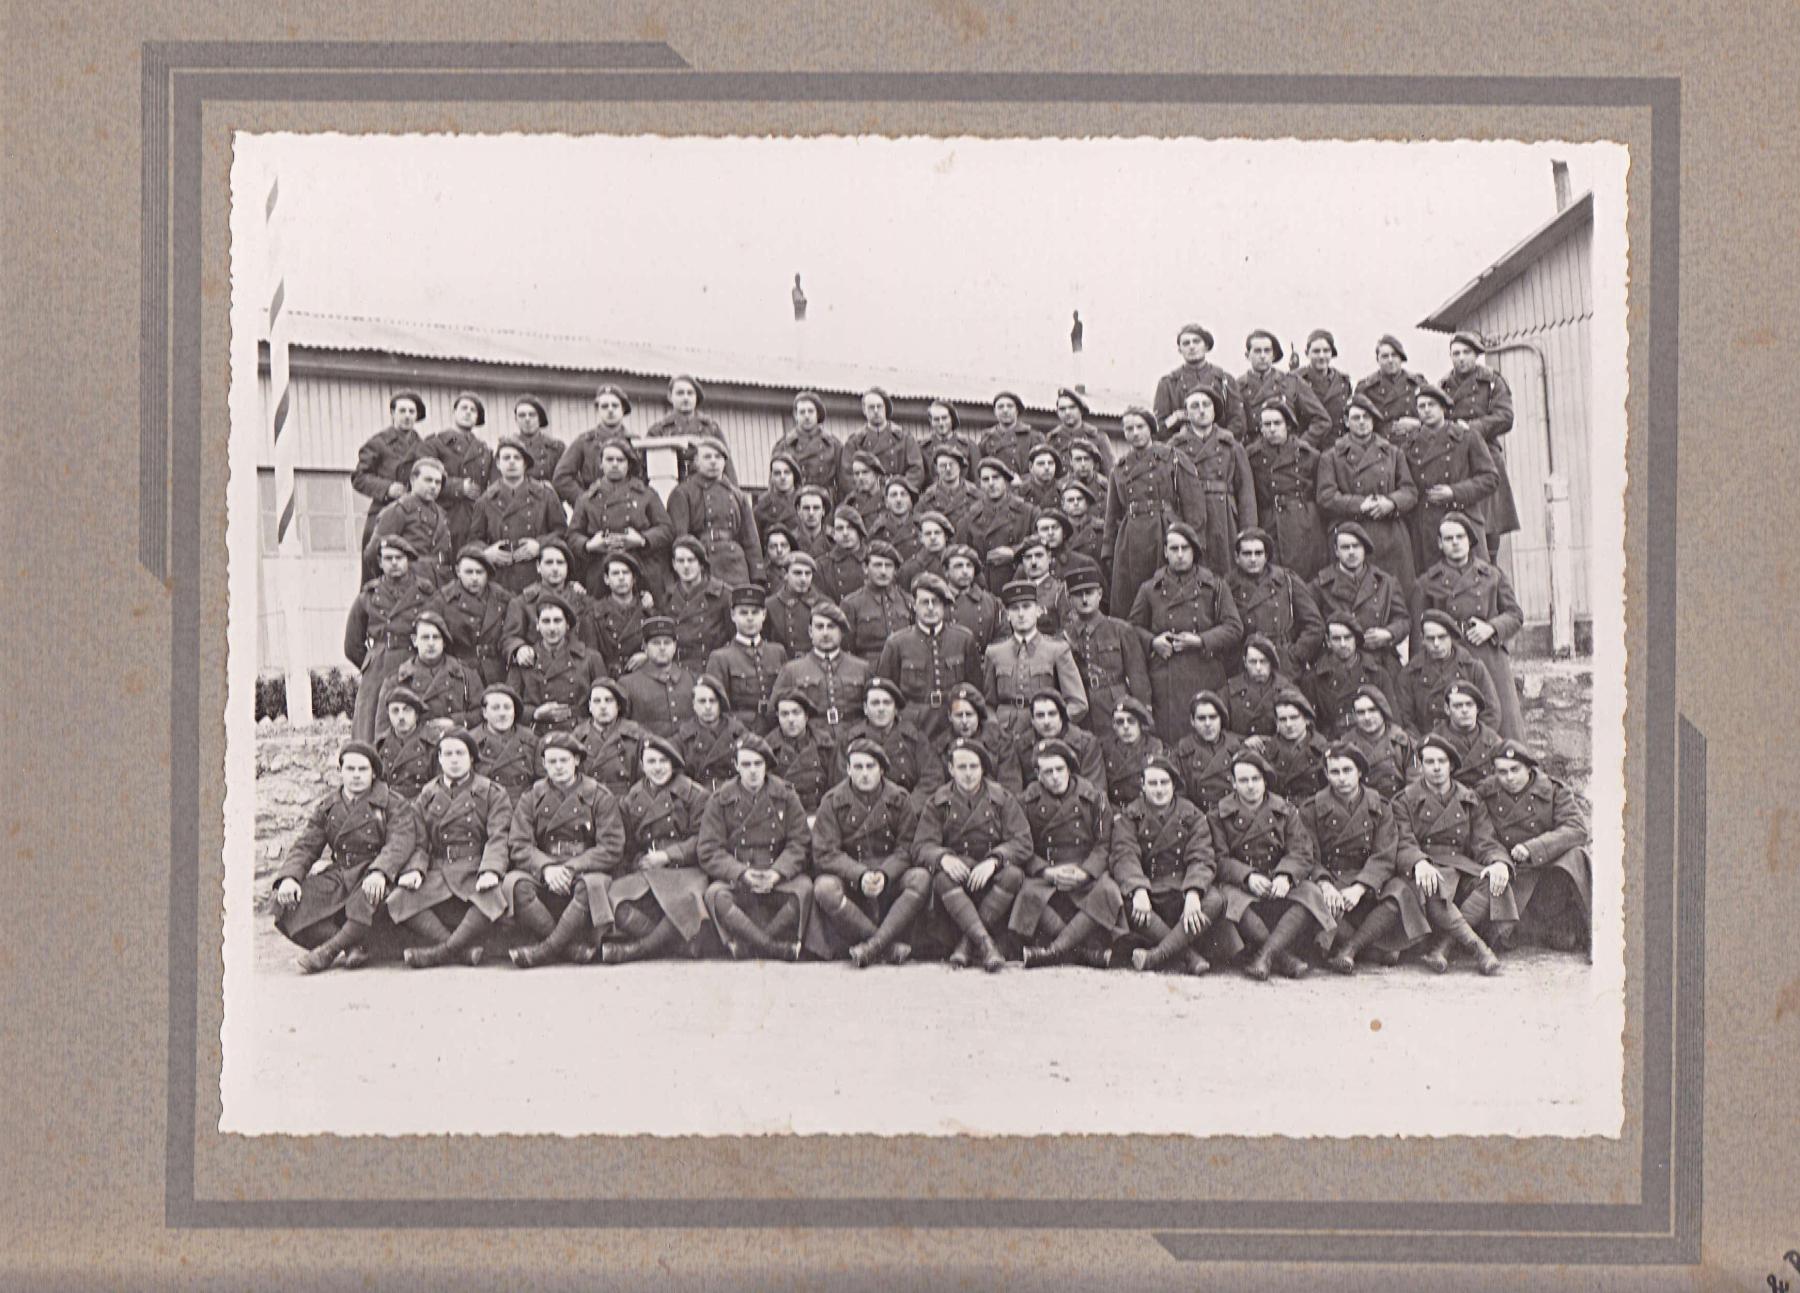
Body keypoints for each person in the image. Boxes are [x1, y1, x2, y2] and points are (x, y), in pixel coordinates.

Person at [272, 741, 417, 973]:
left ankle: (329, 951)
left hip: (373, 872)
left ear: (374, 773)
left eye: (363, 769)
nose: (356, 775)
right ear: (340, 771)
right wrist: (290, 878)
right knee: (285, 904)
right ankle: (352, 946)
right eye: (350, 769)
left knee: (369, 896)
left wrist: (380, 872)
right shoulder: (328, 806)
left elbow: (400, 841)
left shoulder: (391, 803)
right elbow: (307, 845)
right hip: (341, 875)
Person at [386, 729, 513, 968]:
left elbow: (499, 836)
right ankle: (460, 951)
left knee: (493, 894)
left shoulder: (491, 792)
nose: (454, 759)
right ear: (440, 758)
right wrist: (415, 869)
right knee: (400, 898)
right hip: (439, 867)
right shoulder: (428, 794)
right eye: (448, 754)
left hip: (475, 865)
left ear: (472, 758)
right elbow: (419, 840)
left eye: (460, 753)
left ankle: (441, 953)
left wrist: (491, 870)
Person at [1300, 743, 1430, 975]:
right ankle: (1373, 950)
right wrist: (1325, 884)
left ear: (1359, 771)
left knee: (1401, 890)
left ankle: (1351, 949)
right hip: (1333, 879)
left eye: (1347, 770)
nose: (1342, 778)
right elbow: (1307, 854)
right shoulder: (1311, 808)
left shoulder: (1380, 805)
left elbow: (1384, 854)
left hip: (1368, 881)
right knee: (1316, 902)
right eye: (1335, 772)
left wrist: (1360, 888)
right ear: (1326, 775)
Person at [502, 731, 627, 968]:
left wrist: (571, 868)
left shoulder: (598, 795)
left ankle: (545, 951)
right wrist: (546, 868)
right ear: (543, 764)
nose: (558, 767)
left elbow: (611, 846)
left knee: (590, 886)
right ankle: (569, 949)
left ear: (576, 760)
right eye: (552, 761)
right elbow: (519, 843)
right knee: (514, 884)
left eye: (564, 760)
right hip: (546, 866)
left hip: (586, 867)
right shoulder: (532, 796)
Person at [1392, 733, 1510, 975]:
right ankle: (1481, 950)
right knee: (1434, 885)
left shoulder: (1469, 798)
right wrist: (1418, 861)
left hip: (1461, 865)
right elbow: (1402, 840)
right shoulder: (1405, 800)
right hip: (1427, 866)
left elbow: (1484, 840)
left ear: (1451, 765)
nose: (1436, 768)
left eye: (1441, 761)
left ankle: (1443, 947)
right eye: (1429, 762)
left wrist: (1498, 862)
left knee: (1494, 883)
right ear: (1420, 765)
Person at [911, 738, 1029, 971]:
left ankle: (967, 944)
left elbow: (1023, 841)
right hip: (959, 874)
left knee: (1013, 875)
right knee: (941, 878)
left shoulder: (1002, 798)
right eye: (962, 767)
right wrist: (943, 857)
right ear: (951, 769)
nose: (968, 774)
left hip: (989, 875)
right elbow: (921, 845)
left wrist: (995, 860)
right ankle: (985, 944)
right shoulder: (938, 801)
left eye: (974, 767)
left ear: (983, 768)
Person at [810, 737, 931, 965]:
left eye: (870, 767)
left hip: (889, 875)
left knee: (921, 878)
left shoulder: (899, 799)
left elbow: (907, 847)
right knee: (824, 888)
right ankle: (885, 945)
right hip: (851, 876)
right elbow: (825, 852)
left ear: (881, 770)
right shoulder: (832, 801)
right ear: (848, 769)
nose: (864, 774)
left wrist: (885, 874)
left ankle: (873, 946)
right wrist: (859, 874)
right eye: (858, 767)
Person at [1207, 749, 1323, 981]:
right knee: (1231, 900)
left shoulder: (1286, 810)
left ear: (1265, 780)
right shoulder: (1217, 815)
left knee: (1311, 893)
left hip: (1276, 879)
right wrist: (1247, 876)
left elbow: (1301, 851)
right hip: (1240, 883)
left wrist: (1285, 876)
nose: (1251, 786)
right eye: (1243, 780)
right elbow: (1217, 858)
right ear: (1233, 783)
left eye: (1256, 779)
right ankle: (1283, 958)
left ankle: (1265, 956)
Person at [598, 733, 715, 962]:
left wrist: (667, 856)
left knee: (688, 900)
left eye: (663, 761)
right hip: (648, 868)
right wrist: (637, 861)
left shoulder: (695, 795)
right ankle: (676, 945)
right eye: (651, 761)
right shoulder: (631, 798)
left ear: (673, 764)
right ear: (642, 765)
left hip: (686, 867)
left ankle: (638, 950)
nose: (658, 768)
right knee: (612, 900)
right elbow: (627, 842)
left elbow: (704, 838)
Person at [698, 735, 815, 961]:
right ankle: (772, 948)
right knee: (716, 895)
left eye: (758, 764)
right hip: (740, 874)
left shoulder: (786, 795)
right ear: (736, 766)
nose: (752, 771)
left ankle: (751, 945)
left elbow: (800, 841)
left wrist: (778, 872)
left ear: (766, 765)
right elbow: (709, 849)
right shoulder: (720, 799)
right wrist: (741, 873)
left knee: (804, 889)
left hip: (776, 873)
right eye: (746, 764)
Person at [1128, 523, 1243, 746]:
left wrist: (1201, 640)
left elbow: (1234, 627)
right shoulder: (1150, 589)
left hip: (1205, 673)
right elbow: (1131, 628)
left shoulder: (1215, 586)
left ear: (1194, 551)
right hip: (1166, 678)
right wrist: (1153, 642)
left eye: (1185, 548)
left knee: (1207, 736)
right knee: (1172, 741)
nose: (1179, 555)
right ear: (1165, 552)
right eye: (1174, 549)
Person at [1413, 511, 1526, 740]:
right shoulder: (1426, 583)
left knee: (1504, 728)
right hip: (1449, 660)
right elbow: (1418, 636)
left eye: (1460, 537)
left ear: (1470, 540)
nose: (1455, 543)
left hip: (1489, 656)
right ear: (1440, 544)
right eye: (1448, 538)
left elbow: (1515, 615)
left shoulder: (1492, 575)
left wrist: (1492, 628)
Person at [1011, 740, 1124, 968]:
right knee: (1027, 894)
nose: (1055, 776)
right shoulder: (1025, 801)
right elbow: (1022, 844)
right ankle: (1082, 952)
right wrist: (1045, 871)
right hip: (1048, 870)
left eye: (1059, 769)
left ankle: (1053, 952)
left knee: (1108, 891)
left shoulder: (1095, 798)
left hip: (1085, 870)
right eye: (1048, 772)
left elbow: (1104, 843)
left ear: (1069, 769)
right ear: (1038, 775)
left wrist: (1086, 872)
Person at [1111, 754, 1223, 975]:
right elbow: (1124, 854)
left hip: (1181, 886)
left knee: (1215, 900)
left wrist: (1193, 892)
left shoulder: (1192, 814)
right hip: (1149, 887)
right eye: (1153, 783)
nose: (1159, 789)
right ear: (1143, 786)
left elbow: (1201, 856)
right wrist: (1138, 889)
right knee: (1124, 901)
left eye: (1164, 783)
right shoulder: (1130, 816)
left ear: (1174, 785)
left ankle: (1157, 955)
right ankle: (1188, 956)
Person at [1478, 740, 1592, 954]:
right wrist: (1499, 861)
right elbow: (1483, 836)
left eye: (1515, 770)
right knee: (1501, 936)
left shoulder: (1554, 790)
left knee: (1577, 856)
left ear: (1529, 768)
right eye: (1502, 772)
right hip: (1512, 871)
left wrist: (1533, 848)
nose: (1509, 777)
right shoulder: (1485, 793)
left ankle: (1585, 930)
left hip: (1547, 869)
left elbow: (1576, 828)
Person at [1103, 405, 1207, 611]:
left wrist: (1193, 542)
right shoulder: (1120, 468)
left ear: (1150, 428)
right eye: (1129, 429)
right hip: (1130, 539)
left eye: (1140, 427)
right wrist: (1108, 548)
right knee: (1130, 599)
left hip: (1163, 532)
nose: (1135, 433)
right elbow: (1112, 514)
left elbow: (1194, 505)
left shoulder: (1172, 458)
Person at [1316, 393, 1419, 599]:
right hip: (1352, 533)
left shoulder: (1392, 452)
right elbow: (1325, 496)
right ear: (1346, 422)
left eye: (1366, 417)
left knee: (1396, 595)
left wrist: (1391, 502)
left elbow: (1410, 491)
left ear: (1373, 421)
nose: (1362, 422)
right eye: (1356, 418)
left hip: (1390, 533)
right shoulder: (1331, 456)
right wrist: (1359, 504)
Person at [345, 534, 439, 742]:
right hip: (379, 667)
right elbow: (352, 645)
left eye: (399, 558)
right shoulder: (369, 596)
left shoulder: (425, 593)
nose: (394, 563)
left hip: (414, 662)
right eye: (388, 558)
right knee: (371, 727)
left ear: (408, 560)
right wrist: (373, 663)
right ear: (380, 562)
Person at [983, 580, 1090, 757]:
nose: (1021, 614)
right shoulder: (994, 653)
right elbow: (988, 704)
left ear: (1038, 611)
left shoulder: (1057, 649)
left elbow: (1078, 703)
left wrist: (1052, 723)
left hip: (1045, 737)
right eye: (1014, 609)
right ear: (1007, 615)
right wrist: (996, 729)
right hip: (1006, 736)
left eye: (1027, 607)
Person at [873, 572, 980, 746]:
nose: (930, 608)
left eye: (936, 602)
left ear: (944, 606)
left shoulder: (963, 639)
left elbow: (975, 689)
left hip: (952, 723)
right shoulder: (897, 643)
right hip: (913, 726)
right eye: (924, 602)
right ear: (914, 605)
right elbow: (886, 691)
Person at [1441, 332, 1520, 560]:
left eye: (1466, 352)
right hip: (1456, 460)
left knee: (1490, 524)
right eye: (1456, 353)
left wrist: (1473, 428)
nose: (1461, 358)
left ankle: (1489, 572)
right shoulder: (1444, 385)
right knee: (1461, 523)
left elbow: (1505, 416)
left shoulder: (1492, 381)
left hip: (1486, 456)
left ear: (1476, 355)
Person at [1404, 383, 1499, 573]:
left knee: (1475, 580)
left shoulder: (1467, 437)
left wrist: (1454, 492)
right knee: (1433, 583)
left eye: (1431, 405)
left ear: (1443, 408)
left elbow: (1490, 478)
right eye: (1421, 406)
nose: (1426, 410)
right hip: (1427, 529)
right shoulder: (1409, 445)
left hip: (1464, 521)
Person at [567, 439, 673, 599]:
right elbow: (572, 535)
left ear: (628, 464)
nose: (615, 464)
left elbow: (666, 529)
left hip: (641, 566)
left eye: (620, 460)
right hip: (601, 569)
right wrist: (589, 545)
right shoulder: (587, 498)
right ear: (601, 464)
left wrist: (642, 540)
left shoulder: (646, 494)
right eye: (609, 459)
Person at [1167, 389, 1257, 576]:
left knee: (1227, 571)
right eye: (1195, 406)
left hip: (1224, 517)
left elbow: (1246, 493)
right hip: (1190, 515)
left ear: (1214, 411)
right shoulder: (1174, 447)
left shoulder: (1231, 445)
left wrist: (1249, 533)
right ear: (1186, 413)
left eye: (1206, 405)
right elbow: (1168, 492)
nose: (1201, 410)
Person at [1310, 522, 1409, 689]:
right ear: (1336, 551)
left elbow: (1403, 620)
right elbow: (1310, 625)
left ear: (1365, 549)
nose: (1351, 552)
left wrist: (1388, 633)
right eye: (1345, 547)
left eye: (1356, 546)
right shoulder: (1320, 586)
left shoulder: (1386, 582)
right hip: (1338, 662)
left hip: (1378, 660)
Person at [1060, 565, 1150, 738]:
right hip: (1082, 707)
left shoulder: (1120, 630)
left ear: (1100, 594)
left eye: (1089, 593)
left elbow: (1138, 677)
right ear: (1070, 599)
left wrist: (1142, 713)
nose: (1084, 599)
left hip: (1116, 704)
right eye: (1078, 595)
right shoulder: (1064, 637)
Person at [472, 435, 566, 597]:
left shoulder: (545, 495)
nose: (511, 462)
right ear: (498, 464)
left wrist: (540, 545)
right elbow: (474, 540)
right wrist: (487, 553)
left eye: (517, 458)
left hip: (536, 574)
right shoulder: (485, 500)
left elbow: (562, 532)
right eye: (506, 458)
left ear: (525, 464)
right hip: (501, 577)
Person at [1226, 526, 1325, 678]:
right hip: (1245, 663)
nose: (1253, 559)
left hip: (1282, 661)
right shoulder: (1226, 586)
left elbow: (1315, 625)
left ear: (1266, 556)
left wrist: (1294, 655)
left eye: (1258, 553)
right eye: (1247, 553)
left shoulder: (1286, 580)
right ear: (1236, 557)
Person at [771, 600, 870, 752]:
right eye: (819, 627)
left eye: (831, 627)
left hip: (854, 740)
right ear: (810, 632)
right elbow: (774, 713)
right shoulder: (792, 670)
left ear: (841, 631)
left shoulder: (861, 668)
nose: (825, 633)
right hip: (812, 745)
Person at [506, 594, 605, 739]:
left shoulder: (590, 658)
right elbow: (508, 706)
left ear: (567, 625)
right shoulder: (524, 660)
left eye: (557, 621)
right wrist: (535, 714)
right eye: (546, 621)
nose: (552, 628)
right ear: (537, 625)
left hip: (581, 735)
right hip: (537, 735)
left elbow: (605, 701)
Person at [375, 609, 482, 743]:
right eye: (425, 637)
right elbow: (383, 730)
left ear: (444, 642)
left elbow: (481, 713)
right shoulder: (396, 680)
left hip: (454, 745)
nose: (431, 643)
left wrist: (455, 721)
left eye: (436, 637)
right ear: (415, 640)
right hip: (413, 747)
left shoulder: (465, 675)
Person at [352, 391, 428, 580]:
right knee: (375, 572)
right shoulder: (378, 443)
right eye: (402, 411)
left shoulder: (424, 447)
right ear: (393, 413)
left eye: (411, 411)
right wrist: (387, 489)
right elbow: (359, 477)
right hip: (383, 513)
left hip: (414, 516)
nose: (407, 416)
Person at [1246, 399, 1325, 578]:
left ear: (1288, 425)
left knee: (1304, 575)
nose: (1272, 429)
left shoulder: (1309, 454)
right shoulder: (1251, 455)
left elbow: (1319, 493)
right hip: (1269, 522)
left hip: (1303, 522)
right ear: (1260, 428)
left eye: (1277, 423)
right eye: (1267, 424)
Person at [669, 436, 762, 587]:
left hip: (735, 564)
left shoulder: (738, 495)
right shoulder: (683, 493)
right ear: (696, 462)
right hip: (703, 561)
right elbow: (681, 537)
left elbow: (751, 539)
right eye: (707, 457)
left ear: (724, 462)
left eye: (718, 457)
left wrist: (757, 575)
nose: (713, 461)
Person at [1395, 608, 1503, 736]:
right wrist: (1424, 744)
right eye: (1430, 638)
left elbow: (1491, 714)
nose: (1436, 644)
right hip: (1427, 743)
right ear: (1422, 639)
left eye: (1442, 637)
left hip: (1467, 741)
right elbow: (1405, 720)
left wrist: (1473, 741)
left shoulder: (1473, 668)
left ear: (1451, 637)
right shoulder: (1410, 673)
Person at [500, 538, 598, 665]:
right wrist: (519, 649)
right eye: (549, 563)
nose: (555, 568)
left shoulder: (584, 601)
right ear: (538, 567)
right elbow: (508, 639)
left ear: (567, 567)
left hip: (577, 668)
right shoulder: (522, 603)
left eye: (560, 563)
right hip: (540, 668)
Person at [426, 544, 511, 685]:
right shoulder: (442, 601)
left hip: (496, 672)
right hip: (459, 673)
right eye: (469, 572)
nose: (475, 578)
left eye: (480, 572)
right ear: (458, 571)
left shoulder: (502, 598)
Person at [362, 457, 453, 589]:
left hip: (439, 583)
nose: (433, 486)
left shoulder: (441, 513)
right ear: (413, 480)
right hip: (409, 585)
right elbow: (372, 554)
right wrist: (392, 581)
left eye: (438, 482)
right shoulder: (398, 511)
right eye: (428, 480)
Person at [703, 583, 785, 729]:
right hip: (740, 731)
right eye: (743, 613)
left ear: (764, 615)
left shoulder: (777, 652)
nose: (750, 618)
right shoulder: (720, 658)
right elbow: (717, 708)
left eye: (755, 612)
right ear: (733, 615)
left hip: (776, 729)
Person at [422, 391, 495, 552]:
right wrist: (459, 487)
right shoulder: (435, 443)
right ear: (454, 412)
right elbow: (421, 477)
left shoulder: (484, 450)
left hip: (474, 518)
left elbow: (492, 484)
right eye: (464, 408)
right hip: (444, 515)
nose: (468, 412)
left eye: (473, 410)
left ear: (477, 418)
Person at [1304, 613, 1395, 737]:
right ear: (1328, 641)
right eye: (1336, 639)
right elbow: (1309, 725)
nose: (1343, 644)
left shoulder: (1377, 675)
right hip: (1331, 742)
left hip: (1368, 739)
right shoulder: (1313, 679)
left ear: (1356, 639)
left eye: (1347, 637)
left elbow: (1392, 719)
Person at [1237, 330, 1332, 449]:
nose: (1262, 356)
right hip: (1253, 454)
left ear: (1273, 355)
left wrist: (1299, 446)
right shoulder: (1237, 386)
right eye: (1257, 351)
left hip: (1287, 454)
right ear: (1247, 355)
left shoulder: (1292, 382)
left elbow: (1322, 420)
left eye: (1267, 351)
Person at [960, 456, 1038, 594]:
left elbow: (1042, 540)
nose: (991, 483)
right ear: (980, 484)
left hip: (1020, 583)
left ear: (1005, 481)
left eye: (996, 477)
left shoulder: (1027, 511)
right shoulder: (970, 517)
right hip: (985, 587)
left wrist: (1014, 552)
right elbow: (960, 552)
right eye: (985, 479)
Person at [1152, 322, 1245, 438]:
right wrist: (1175, 419)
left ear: (1206, 346)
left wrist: (1220, 440)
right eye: (1186, 343)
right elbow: (1160, 426)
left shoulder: (1224, 380)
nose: (1191, 347)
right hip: (1181, 444)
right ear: (1180, 350)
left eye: (1196, 341)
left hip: (1220, 445)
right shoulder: (1168, 383)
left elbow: (1237, 421)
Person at [552, 383, 637, 508]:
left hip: (628, 507)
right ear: (598, 410)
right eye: (604, 406)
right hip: (596, 509)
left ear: (623, 409)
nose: (610, 410)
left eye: (615, 405)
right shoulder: (584, 441)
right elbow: (561, 478)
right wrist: (585, 501)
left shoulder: (635, 442)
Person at [843, 675, 930, 796]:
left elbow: (931, 778)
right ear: (865, 708)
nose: (881, 709)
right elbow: (841, 783)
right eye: (875, 703)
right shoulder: (850, 740)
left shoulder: (914, 739)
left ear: (895, 709)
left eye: (887, 703)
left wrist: (908, 805)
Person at [644, 375, 738, 483]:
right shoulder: (658, 430)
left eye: (690, 393)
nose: (685, 398)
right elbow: (645, 466)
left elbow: (727, 465)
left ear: (696, 397)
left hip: (706, 487)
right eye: (680, 393)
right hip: (671, 486)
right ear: (670, 397)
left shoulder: (711, 428)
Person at [616, 616, 696, 739]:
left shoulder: (692, 679)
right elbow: (621, 727)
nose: (662, 648)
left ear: (675, 646)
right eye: (656, 643)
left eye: (667, 643)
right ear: (645, 647)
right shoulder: (627, 684)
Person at [1246, 688, 1331, 802]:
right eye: (1283, 719)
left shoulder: (1323, 750)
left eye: (1294, 717)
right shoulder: (1264, 749)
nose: (1289, 724)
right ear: (1276, 723)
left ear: (1306, 719)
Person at [663, 535, 733, 673]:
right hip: (678, 672)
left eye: (691, 560)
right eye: (680, 561)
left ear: (701, 563)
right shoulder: (667, 597)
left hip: (712, 670)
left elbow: (734, 639)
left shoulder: (723, 595)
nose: (686, 566)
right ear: (674, 565)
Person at [568, 678, 647, 799]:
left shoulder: (636, 735)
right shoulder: (577, 737)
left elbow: (646, 780)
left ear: (618, 705)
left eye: (608, 700)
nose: (603, 706)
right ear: (590, 706)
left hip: (627, 801)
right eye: (597, 701)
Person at [840, 387, 925, 496]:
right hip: (866, 497)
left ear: (885, 408)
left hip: (897, 495)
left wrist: (900, 491)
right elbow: (847, 476)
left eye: (879, 406)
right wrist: (864, 495)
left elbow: (916, 471)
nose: (876, 411)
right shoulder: (854, 442)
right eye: (871, 407)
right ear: (864, 410)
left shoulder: (905, 438)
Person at [1172, 690, 1244, 813]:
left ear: (1221, 719)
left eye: (1213, 717)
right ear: (1192, 721)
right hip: (1197, 816)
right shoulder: (1181, 752)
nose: (1207, 724)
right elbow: (1178, 796)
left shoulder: (1237, 747)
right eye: (1201, 718)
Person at [767, 693, 840, 815]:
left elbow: (837, 787)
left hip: (820, 812)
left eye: (796, 713)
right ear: (777, 717)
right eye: (784, 714)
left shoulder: (825, 745)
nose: (791, 720)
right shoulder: (768, 749)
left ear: (806, 716)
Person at [1018, 690, 1105, 791]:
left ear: (1062, 716)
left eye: (1052, 714)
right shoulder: (1022, 745)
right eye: (1040, 715)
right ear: (1032, 720)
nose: (1046, 722)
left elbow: (1095, 790)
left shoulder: (1086, 744)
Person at [1338, 683, 1414, 798]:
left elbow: (1414, 781)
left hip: (1399, 801)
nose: (1367, 717)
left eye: (1372, 710)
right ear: (1354, 716)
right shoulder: (1346, 744)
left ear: (1383, 711)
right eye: (1361, 712)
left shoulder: (1402, 741)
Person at [674, 675, 749, 791]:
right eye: (702, 701)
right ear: (694, 705)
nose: (708, 707)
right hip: (697, 797)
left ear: (720, 704)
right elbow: (678, 778)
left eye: (713, 701)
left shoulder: (740, 734)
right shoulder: (682, 738)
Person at [842, 541, 912, 659]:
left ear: (895, 570)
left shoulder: (908, 601)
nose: (883, 571)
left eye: (888, 566)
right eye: (877, 565)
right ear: (865, 568)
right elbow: (847, 651)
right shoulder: (851, 604)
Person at [1431, 681, 1507, 787]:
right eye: (1458, 706)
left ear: (1477, 709)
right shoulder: (1434, 741)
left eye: (1469, 705)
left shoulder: (1493, 741)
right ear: (1447, 709)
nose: (1464, 710)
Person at [587, 552, 650, 679]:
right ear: (606, 579)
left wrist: (649, 656)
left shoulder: (649, 612)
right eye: (615, 573)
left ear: (634, 578)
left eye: (625, 573)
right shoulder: (594, 615)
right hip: (608, 681)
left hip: (642, 680)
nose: (621, 578)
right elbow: (590, 660)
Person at [471, 682, 537, 803]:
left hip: (523, 805)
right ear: (485, 712)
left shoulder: (531, 740)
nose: (502, 714)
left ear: (514, 711)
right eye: (495, 708)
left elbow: (541, 784)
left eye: (507, 707)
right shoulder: (471, 742)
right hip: (485, 805)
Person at [1351, 334, 1424, 440]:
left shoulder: (1417, 383)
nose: (1390, 360)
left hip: (1413, 443)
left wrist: (1419, 424)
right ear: (1378, 360)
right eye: (1385, 356)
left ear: (1401, 358)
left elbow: (1436, 417)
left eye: (1394, 355)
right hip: (1381, 445)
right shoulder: (1366, 388)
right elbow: (1356, 421)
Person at [773, 391, 844, 500]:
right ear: (795, 416)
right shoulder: (783, 446)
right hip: (795, 502)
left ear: (817, 414)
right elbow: (775, 485)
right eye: (802, 412)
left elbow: (844, 482)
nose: (806, 416)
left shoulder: (833, 445)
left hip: (826, 502)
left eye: (810, 411)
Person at [1097, 697, 1165, 807]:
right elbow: (1101, 790)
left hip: (1145, 809)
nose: (1126, 726)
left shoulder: (1154, 747)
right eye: (1120, 722)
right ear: (1114, 725)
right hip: (1115, 810)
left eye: (1131, 721)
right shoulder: (1104, 749)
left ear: (1140, 724)